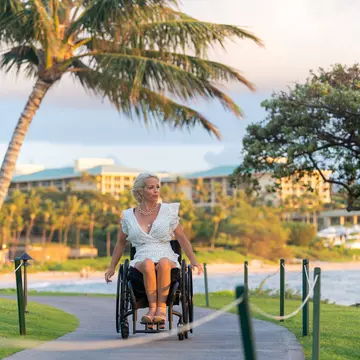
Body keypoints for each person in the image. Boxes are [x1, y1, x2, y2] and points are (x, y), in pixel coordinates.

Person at [104, 172, 203, 325]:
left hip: (166, 254)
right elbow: (120, 243)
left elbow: (181, 237)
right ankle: (152, 309)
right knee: (149, 263)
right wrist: (112, 267)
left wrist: (194, 260)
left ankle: (161, 310)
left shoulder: (167, 211)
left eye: (157, 187)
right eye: (151, 187)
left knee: (163, 262)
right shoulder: (128, 216)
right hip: (141, 257)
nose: (156, 191)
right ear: (140, 191)